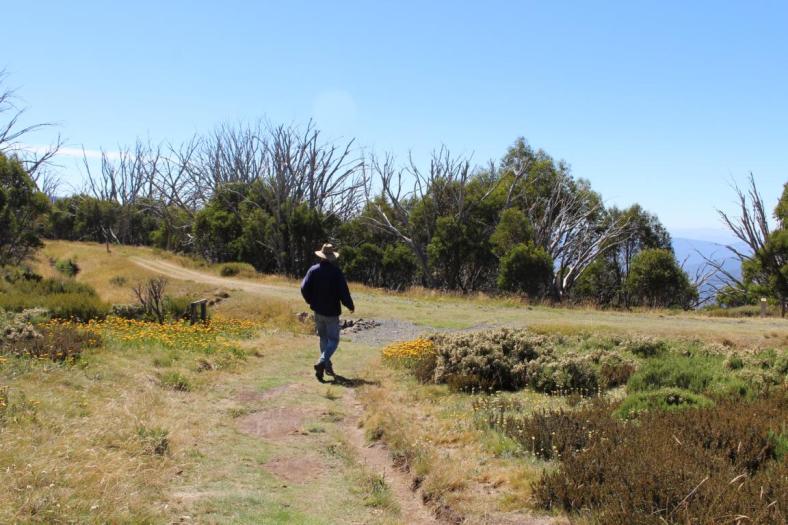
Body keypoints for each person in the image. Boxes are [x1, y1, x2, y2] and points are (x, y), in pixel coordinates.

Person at [300, 243, 355, 382]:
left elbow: (304, 287)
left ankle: (326, 367)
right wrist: (350, 305)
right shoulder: (336, 272)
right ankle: (322, 362)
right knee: (334, 340)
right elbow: (344, 292)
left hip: (318, 311)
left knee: (323, 339)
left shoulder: (313, 270)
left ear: (321, 256)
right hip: (332, 312)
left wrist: (310, 300)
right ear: (332, 257)